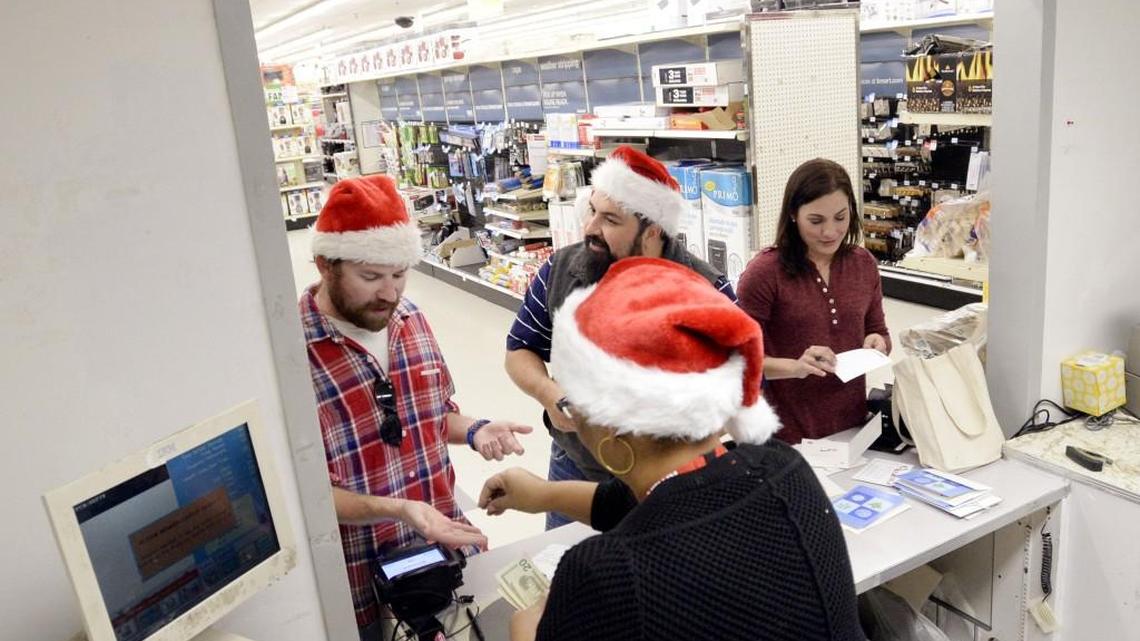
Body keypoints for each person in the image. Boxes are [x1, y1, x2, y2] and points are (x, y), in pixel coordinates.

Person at [480, 258, 864, 641]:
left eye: (573, 406)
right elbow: (664, 501)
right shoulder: (781, 466)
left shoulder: (605, 572)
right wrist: (544, 495)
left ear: (614, 448)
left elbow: (659, 519)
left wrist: (524, 632)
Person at [300, 175, 533, 639]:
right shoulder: (293, 355)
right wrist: (401, 510)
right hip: (363, 580)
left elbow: (431, 414)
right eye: (370, 277)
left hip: (445, 552)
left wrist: (474, 430)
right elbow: (306, 497)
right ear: (327, 265)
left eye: (399, 274)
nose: (389, 293)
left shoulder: (410, 320)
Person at [504, 145, 735, 528]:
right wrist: (549, 394)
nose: (591, 227)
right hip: (575, 466)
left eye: (610, 219)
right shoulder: (561, 270)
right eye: (592, 210)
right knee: (568, 573)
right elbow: (519, 349)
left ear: (652, 232)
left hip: (670, 479)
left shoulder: (707, 292)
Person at [736, 158, 891, 444]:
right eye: (816, 221)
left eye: (841, 218)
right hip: (785, 436)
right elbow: (738, 360)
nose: (830, 232)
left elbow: (878, 330)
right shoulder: (765, 274)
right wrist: (795, 367)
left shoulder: (863, 264)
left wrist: (878, 342)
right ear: (794, 214)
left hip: (852, 430)